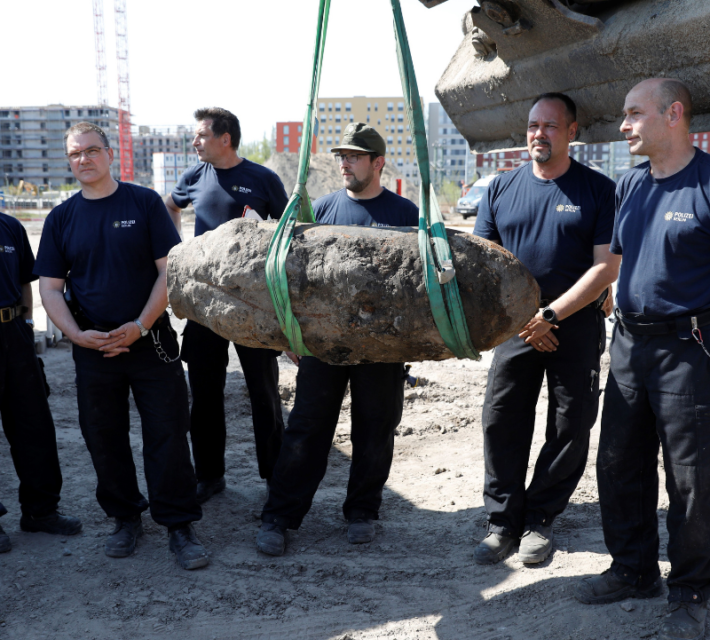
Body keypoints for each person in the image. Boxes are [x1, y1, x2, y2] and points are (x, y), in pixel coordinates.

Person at [34, 122, 208, 570]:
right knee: (104, 438)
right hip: (93, 347)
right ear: (69, 161)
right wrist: (76, 335)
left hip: (150, 342)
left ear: (109, 154)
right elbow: (51, 289)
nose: (83, 160)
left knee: (167, 434)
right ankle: (125, 517)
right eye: (75, 154)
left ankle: (178, 525)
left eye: (91, 150)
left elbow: (170, 272)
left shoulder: (143, 203)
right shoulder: (61, 218)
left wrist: (140, 324)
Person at [575, 79, 710, 640]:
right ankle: (633, 571)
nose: (624, 125)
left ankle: (692, 589)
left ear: (673, 114)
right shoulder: (629, 184)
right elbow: (618, 266)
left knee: (691, 479)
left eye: (634, 114)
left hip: (688, 349)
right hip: (629, 344)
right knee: (618, 463)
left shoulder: (706, 183)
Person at [256, 123, 417, 556]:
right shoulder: (321, 210)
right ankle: (280, 517)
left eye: (354, 156)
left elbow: (417, 288)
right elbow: (295, 279)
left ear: (378, 162)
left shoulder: (406, 213)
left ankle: (363, 511)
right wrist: (289, 333)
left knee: (376, 429)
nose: (344, 163)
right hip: (324, 346)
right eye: (341, 156)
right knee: (306, 429)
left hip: (382, 348)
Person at [472, 93, 619, 565]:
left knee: (570, 424)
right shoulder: (500, 189)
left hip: (573, 325)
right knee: (502, 419)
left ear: (572, 132)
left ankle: (540, 518)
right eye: (533, 125)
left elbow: (604, 269)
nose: (539, 134)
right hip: (515, 327)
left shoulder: (597, 190)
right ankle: (502, 521)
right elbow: (482, 265)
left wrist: (550, 315)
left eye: (550, 126)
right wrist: (524, 320)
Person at [164, 108, 288, 504]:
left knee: (264, 393)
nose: (195, 142)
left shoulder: (263, 179)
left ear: (225, 138)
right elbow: (171, 206)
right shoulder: (193, 178)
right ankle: (209, 476)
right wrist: (178, 249)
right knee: (203, 392)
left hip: (254, 307)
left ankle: (274, 475)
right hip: (205, 305)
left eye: (201, 135)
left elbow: (288, 230)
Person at [0, 210, 81, 553]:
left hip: (13, 332)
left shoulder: (10, 226)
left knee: (34, 425)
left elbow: (23, 283)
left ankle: (40, 510)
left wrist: (28, 327)